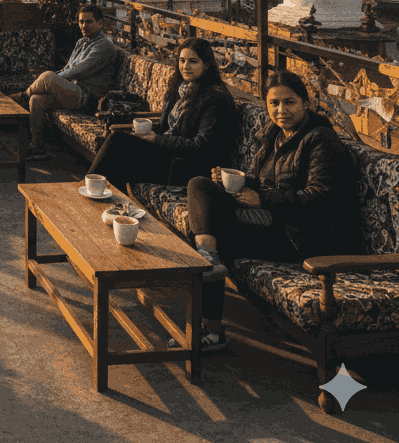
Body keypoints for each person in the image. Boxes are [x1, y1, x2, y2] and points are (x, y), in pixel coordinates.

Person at [177, 69, 362, 353]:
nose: (281, 110)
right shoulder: (275, 135)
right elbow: (260, 181)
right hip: (274, 221)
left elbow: (320, 198)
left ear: (305, 103)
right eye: (274, 103)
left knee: (215, 232)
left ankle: (211, 329)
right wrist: (230, 179)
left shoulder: (320, 140)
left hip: (305, 238)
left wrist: (263, 198)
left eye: (289, 102)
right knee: (200, 186)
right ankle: (208, 260)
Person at [85, 37, 237, 193]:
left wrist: (157, 139)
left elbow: (201, 146)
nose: (185, 66)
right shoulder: (181, 88)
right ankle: (108, 204)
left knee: (117, 145)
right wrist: (147, 136)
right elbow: (165, 127)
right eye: (182, 60)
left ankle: (92, 194)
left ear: (206, 65)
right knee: (118, 148)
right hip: (169, 157)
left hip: (187, 168)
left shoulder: (216, 99)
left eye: (193, 61)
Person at [24, 5, 119, 160]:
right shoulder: (81, 42)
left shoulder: (104, 46)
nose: (83, 26)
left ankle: (20, 97)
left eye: (89, 22)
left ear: (100, 23)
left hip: (90, 100)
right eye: (81, 22)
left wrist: (53, 79)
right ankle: (38, 147)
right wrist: (54, 80)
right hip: (74, 92)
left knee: (48, 76)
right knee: (36, 100)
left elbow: (78, 71)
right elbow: (68, 68)